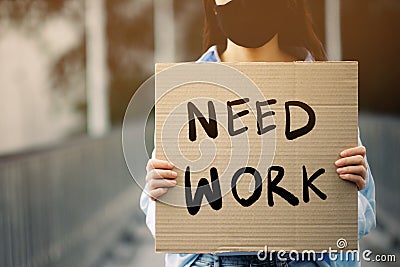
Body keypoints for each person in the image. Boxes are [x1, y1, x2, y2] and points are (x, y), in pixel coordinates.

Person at [140, 0, 376, 266]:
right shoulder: (189, 92)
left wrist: (350, 186)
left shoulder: (322, 90)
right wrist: (159, 193)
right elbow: (164, 223)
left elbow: (363, 215)